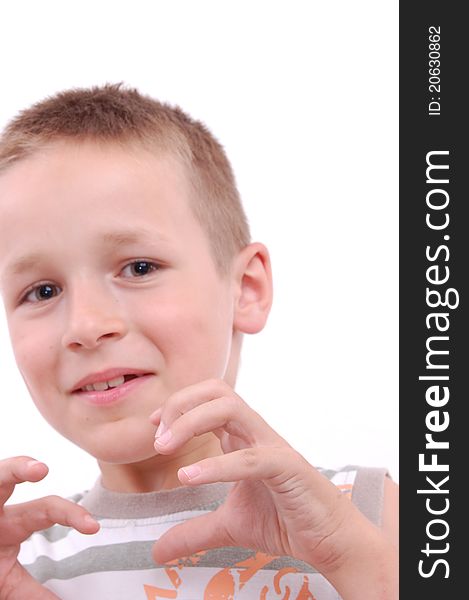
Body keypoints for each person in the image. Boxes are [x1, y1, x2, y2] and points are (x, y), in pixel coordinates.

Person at [0, 84, 398, 600]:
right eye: (43, 291)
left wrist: (349, 556)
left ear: (246, 289)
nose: (85, 325)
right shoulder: (25, 564)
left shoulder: (362, 515)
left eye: (139, 267)